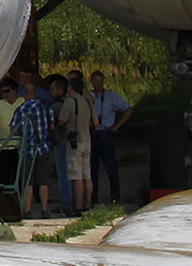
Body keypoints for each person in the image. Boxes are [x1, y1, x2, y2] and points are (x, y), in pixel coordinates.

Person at [14, 75, 59, 218]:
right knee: (43, 181)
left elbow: (13, 129)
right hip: (43, 148)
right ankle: (45, 209)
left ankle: (27, 210)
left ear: (25, 95)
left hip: (27, 150)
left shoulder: (20, 110)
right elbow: (51, 126)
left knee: (28, 182)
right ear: (36, 94)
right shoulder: (46, 108)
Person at [89, 69, 131, 206]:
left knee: (111, 168)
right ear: (92, 82)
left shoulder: (111, 96)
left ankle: (115, 197)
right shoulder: (88, 96)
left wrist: (117, 126)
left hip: (106, 134)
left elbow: (128, 109)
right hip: (92, 133)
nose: (99, 84)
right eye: (96, 81)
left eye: (101, 81)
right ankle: (92, 198)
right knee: (91, 170)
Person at [56, 72, 93, 214]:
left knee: (76, 175)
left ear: (70, 88)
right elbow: (95, 122)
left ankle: (78, 206)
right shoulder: (88, 101)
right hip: (87, 140)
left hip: (74, 142)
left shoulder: (70, 102)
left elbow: (61, 121)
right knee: (87, 175)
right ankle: (88, 204)